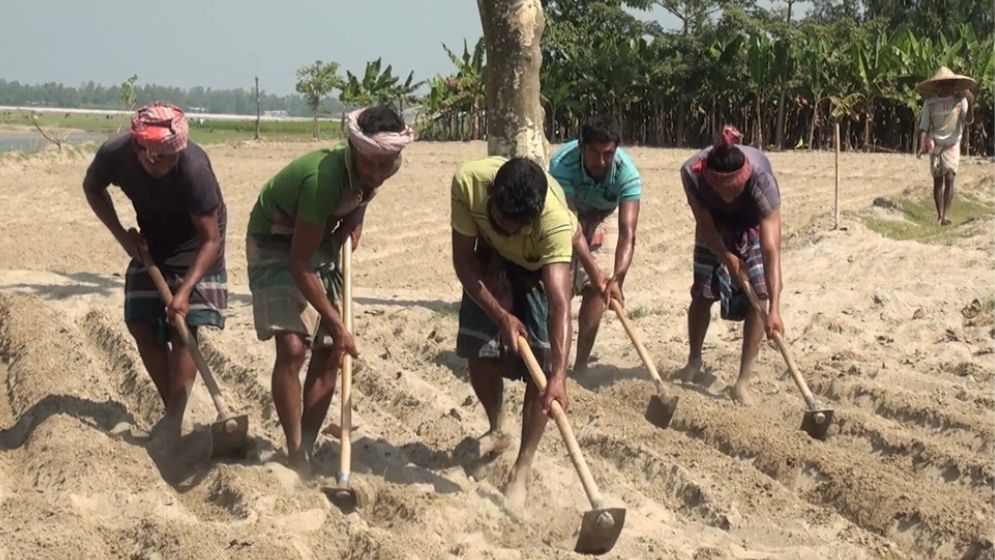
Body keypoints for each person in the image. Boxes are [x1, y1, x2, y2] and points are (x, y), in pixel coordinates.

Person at [246, 104, 414, 474]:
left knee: (328, 353)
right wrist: (337, 322)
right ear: (354, 149)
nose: (376, 171)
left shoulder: (386, 164)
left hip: (319, 235)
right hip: (276, 241)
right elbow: (299, 264)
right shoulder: (322, 180)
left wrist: (353, 224)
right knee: (292, 347)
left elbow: (364, 195)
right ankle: (294, 451)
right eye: (368, 163)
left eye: (384, 165)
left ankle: (307, 442)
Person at [451, 156, 599, 507]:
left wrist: (560, 377)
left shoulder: (555, 223)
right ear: (491, 197)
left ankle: (523, 466)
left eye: (516, 227)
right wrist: (501, 315)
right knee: (478, 348)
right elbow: (462, 262)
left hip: (535, 269)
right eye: (500, 221)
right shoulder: (468, 182)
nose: (507, 229)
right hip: (487, 261)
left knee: (544, 370)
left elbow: (560, 304)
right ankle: (496, 426)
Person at [83, 102, 228, 441]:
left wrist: (183, 293)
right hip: (151, 244)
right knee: (140, 323)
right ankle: (173, 414)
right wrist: (122, 236)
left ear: (179, 151)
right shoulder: (114, 154)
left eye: (164, 157)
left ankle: (173, 424)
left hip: (199, 246)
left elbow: (211, 239)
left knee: (184, 330)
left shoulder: (194, 170)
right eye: (147, 153)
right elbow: (92, 188)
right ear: (135, 144)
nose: (154, 161)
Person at [678, 126, 783, 405]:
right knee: (702, 294)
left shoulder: (762, 179)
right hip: (713, 226)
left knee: (758, 297)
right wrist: (726, 256)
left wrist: (775, 309)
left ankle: (743, 382)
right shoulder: (692, 173)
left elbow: (772, 247)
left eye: (733, 190)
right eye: (721, 189)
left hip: (750, 224)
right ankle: (694, 361)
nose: (727, 196)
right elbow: (704, 224)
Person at [549, 115, 640, 372]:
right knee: (559, 288)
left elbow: (627, 233)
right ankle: (555, 362)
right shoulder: (561, 166)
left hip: (603, 215)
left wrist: (616, 279)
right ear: (581, 147)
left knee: (597, 291)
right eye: (594, 153)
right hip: (567, 216)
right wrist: (592, 269)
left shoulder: (627, 173)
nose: (601, 161)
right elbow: (570, 226)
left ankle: (580, 367)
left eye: (608, 154)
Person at [915, 66, 976, 225]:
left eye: (948, 83)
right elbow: (924, 126)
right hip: (935, 143)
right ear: (936, 86)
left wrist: (970, 102)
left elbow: (968, 120)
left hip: (953, 143)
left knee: (950, 177)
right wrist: (921, 146)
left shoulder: (960, 100)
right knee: (938, 180)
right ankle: (939, 215)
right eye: (942, 84)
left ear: (953, 84)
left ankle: (946, 215)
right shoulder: (930, 103)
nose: (945, 86)